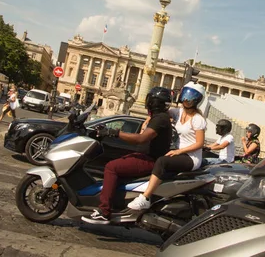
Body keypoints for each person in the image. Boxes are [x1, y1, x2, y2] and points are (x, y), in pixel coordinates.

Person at [81, 87, 173, 224]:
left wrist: (115, 133)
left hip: (149, 159)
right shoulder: (159, 117)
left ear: (153, 102)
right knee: (118, 165)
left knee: (111, 167)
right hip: (145, 156)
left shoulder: (160, 119)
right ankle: (116, 202)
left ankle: (104, 211)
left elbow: (142, 138)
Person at [126, 82, 207, 211]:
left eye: (191, 97)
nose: (187, 100)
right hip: (178, 152)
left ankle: (145, 197)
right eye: (185, 95)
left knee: (162, 161)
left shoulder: (198, 119)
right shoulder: (178, 112)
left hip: (191, 157)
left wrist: (179, 151)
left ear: (197, 100)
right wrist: (148, 120)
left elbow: (199, 143)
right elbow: (159, 113)